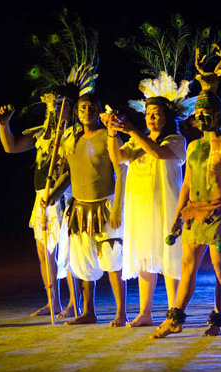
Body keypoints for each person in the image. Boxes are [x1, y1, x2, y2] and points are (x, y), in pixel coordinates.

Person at [151, 89, 221, 338]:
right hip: (194, 212)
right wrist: (178, 217)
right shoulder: (193, 146)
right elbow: (187, 186)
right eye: (198, 112)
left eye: (207, 112)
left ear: (218, 114)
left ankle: (216, 320)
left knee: (219, 268)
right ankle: (175, 319)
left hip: (218, 213)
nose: (202, 116)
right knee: (187, 267)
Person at [101, 96, 186, 327]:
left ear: (167, 116)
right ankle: (145, 313)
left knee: (170, 259)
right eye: (148, 113)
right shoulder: (138, 141)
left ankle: (173, 314)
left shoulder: (176, 140)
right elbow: (117, 157)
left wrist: (132, 131)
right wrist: (111, 131)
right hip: (140, 207)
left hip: (166, 207)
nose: (151, 118)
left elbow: (158, 153)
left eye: (157, 113)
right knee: (143, 259)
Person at [50, 93, 128, 326]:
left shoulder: (109, 136)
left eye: (92, 107)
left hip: (105, 205)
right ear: (77, 112)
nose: (87, 112)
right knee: (82, 263)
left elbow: (122, 171)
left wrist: (116, 209)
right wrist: (53, 194)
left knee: (113, 260)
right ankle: (88, 312)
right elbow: (68, 174)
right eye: (82, 108)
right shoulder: (69, 140)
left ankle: (121, 313)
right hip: (80, 208)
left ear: (97, 110)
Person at [0, 94, 77, 318]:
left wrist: (57, 192)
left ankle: (74, 302)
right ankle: (54, 302)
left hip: (65, 195)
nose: (57, 110)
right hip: (41, 196)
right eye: (53, 106)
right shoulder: (41, 133)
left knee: (68, 252)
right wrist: (4, 124)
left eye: (63, 106)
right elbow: (11, 147)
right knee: (45, 253)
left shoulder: (75, 135)